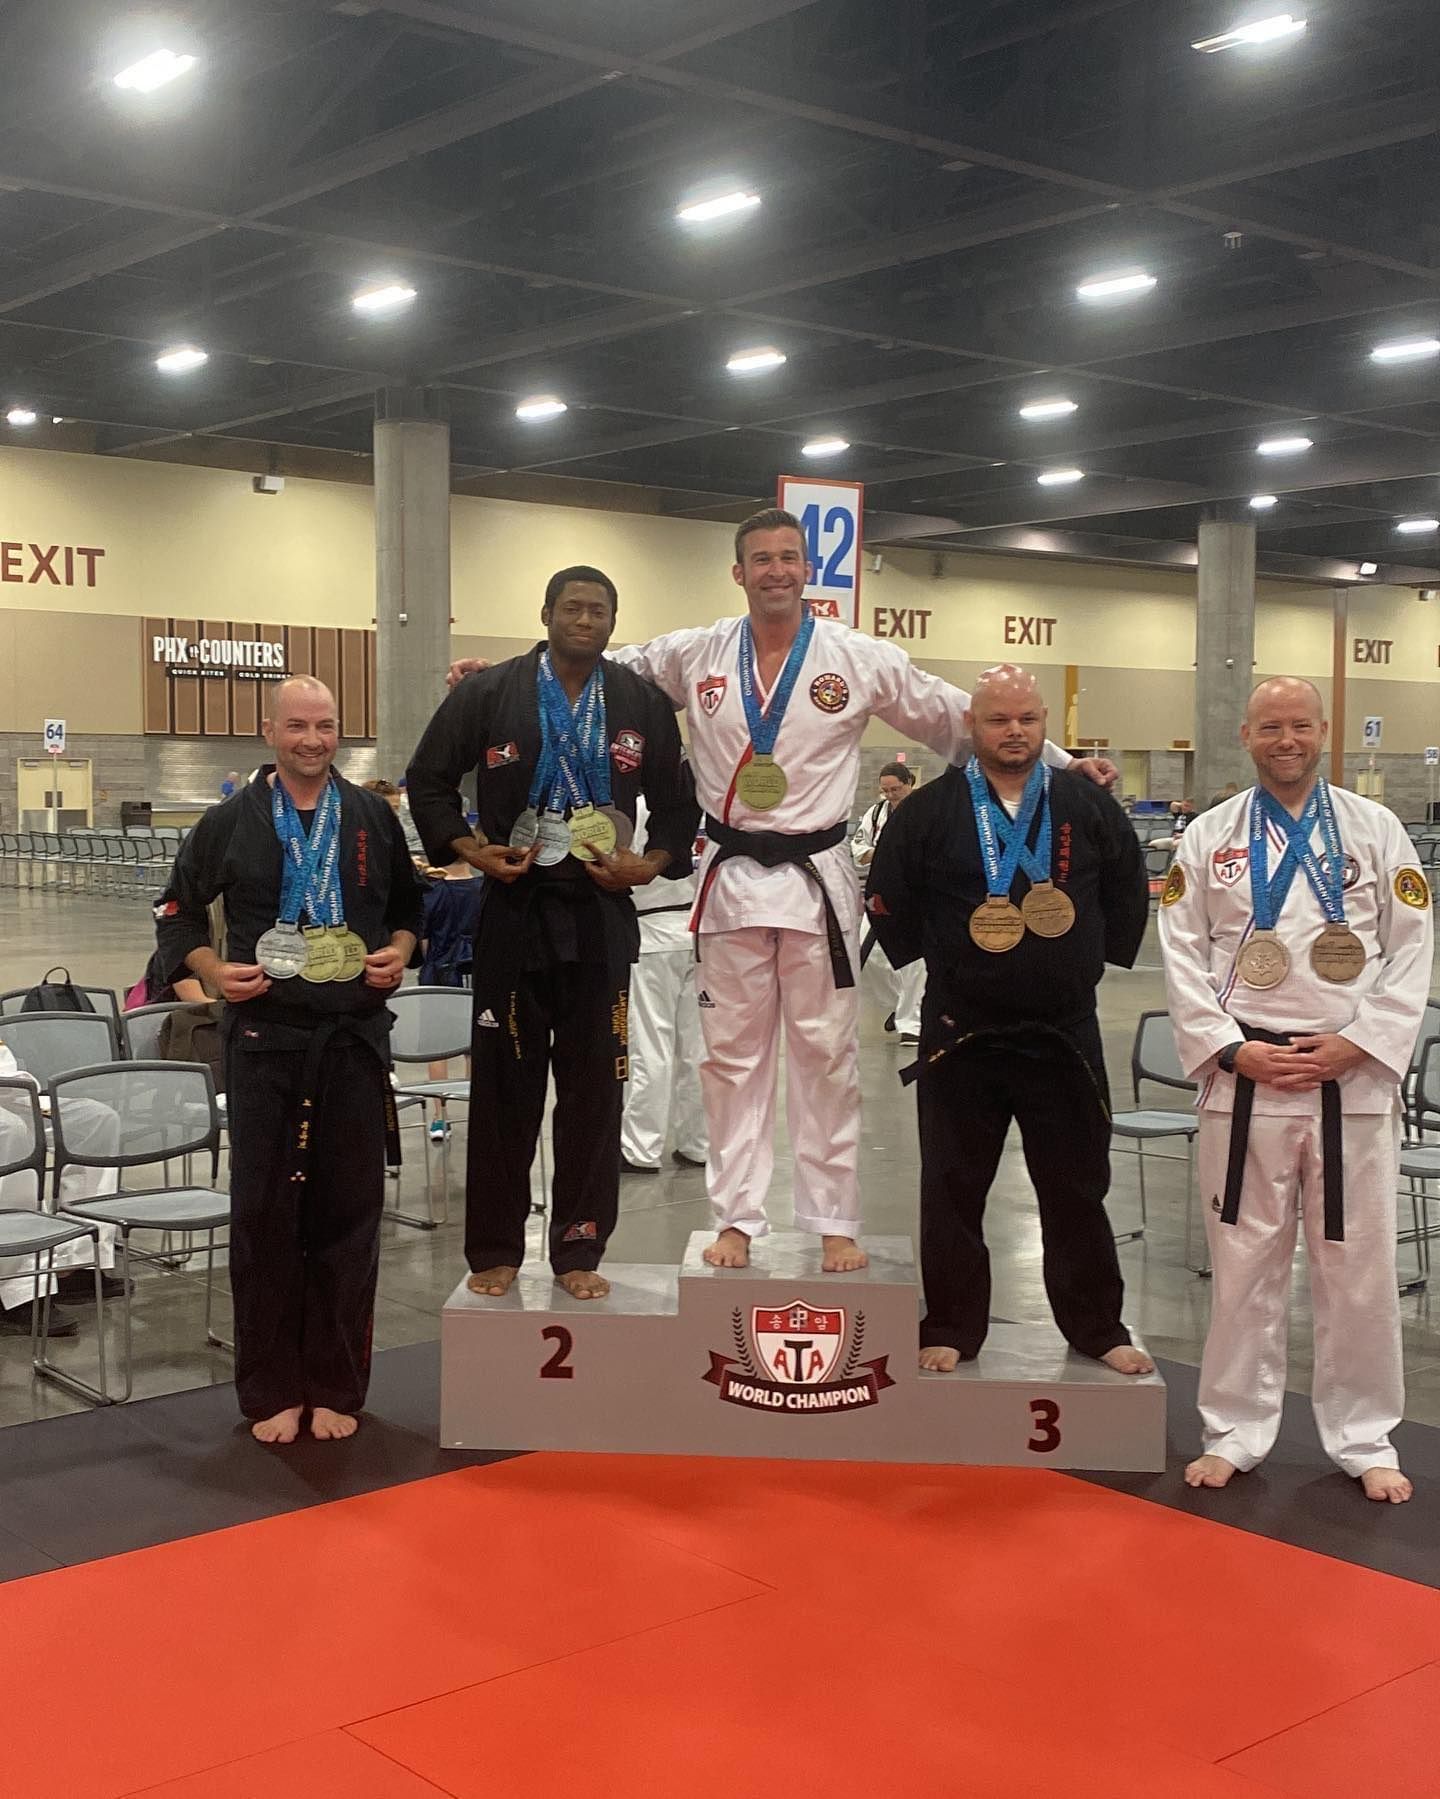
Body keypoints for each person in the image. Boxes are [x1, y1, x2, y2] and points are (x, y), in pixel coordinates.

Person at [447, 511, 1117, 1274]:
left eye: (788, 558)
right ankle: (736, 1216)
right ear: (739, 573)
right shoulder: (694, 653)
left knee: (825, 1055)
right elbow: (584, 666)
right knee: (730, 1059)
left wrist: (1064, 764)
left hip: (817, 880)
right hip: (729, 877)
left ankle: (834, 1217)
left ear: (808, 570)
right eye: (760, 559)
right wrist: (492, 681)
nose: (774, 570)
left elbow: (953, 718)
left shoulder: (855, 657)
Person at [1159, 676, 1433, 1504]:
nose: (1287, 739)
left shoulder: (1375, 828)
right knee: (1243, 1262)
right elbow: (1179, 950)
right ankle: (1234, 1428)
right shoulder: (1208, 836)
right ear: (1246, 733)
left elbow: (1413, 944)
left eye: (1300, 725)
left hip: (1348, 1077)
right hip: (1247, 1077)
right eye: (1270, 726)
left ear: (1323, 731)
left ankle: (1364, 1433)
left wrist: (1360, 1041)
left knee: (1357, 1266)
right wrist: (1228, 1049)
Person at [407, 566, 696, 1303]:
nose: (585, 619)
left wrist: (650, 862)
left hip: (600, 915)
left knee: (597, 1090)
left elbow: (675, 803)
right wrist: (470, 850)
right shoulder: (488, 692)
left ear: (613, 621)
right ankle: (497, 1246)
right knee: (506, 1087)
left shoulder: (639, 701)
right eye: (572, 607)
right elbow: (429, 779)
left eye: (599, 610)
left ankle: (579, 1244)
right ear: (545, 613)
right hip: (514, 907)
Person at [154, 676, 423, 1445]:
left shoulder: (371, 814)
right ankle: (271, 1387)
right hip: (264, 1041)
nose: (313, 739)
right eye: (298, 726)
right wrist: (211, 969)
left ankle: (337, 1383)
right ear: (270, 731)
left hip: (352, 1040)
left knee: (349, 1214)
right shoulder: (229, 823)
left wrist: (397, 955)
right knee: (267, 1218)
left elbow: (409, 911)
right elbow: (174, 911)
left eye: (327, 726)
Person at [864, 665, 1152, 1374]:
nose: (1014, 731)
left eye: (1027, 718)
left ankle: (1096, 1325)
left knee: (1077, 1186)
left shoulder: (1085, 803)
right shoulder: (928, 810)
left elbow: (1125, 886)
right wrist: (947, 961)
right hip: (963, 1028)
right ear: (972, 724)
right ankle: (954, 1322)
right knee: (953, 1186)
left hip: (1064, 1029)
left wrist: (1089, 959)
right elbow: (888, 897)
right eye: (998, 719)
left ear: (1045, 722)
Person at [620, 796, 708, 1175]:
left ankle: (641, 1148)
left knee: (650, 1045)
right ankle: (699, 1143)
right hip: (703, 932)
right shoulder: (707, 806)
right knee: (700, 1047)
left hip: (654, 933)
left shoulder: (638, 806)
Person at [851, 761, 924, 1044]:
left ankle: (912, 1023)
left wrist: (886, 855)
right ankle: (902, 1004)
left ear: (910, 783)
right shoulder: (876, 813)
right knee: (869, 958)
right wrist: (886, 853)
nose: (891, 795)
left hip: (915, 894)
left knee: (915, 961)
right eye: (886, 790)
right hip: (880, 890)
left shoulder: (925, 809)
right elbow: (859, 850)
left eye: (896, 789)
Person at [417, 856, 485, 1142]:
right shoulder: (484, 888)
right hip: (476, 972)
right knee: (474, 1044)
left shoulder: (432, 892)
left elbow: (423, 941)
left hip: (438, 973)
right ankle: (476, 1112)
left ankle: (439, 1117)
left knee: (437, 1047)